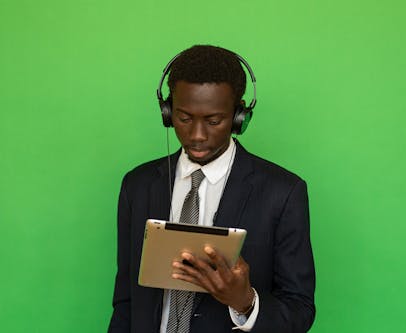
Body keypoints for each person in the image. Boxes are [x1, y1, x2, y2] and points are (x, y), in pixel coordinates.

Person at [108, 45, 315, 333]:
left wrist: (245, 303)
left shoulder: (283, 193)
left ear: (239, 116)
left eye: (214, 121)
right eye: (183, 118)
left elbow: (299, 311)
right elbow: (126, 300)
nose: (196, 135)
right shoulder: (138, 185)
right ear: (167, 112)